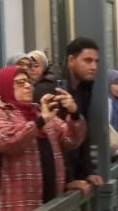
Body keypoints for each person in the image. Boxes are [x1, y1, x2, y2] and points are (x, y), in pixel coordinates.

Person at [0, 65, 86, 211]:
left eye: (29, 81)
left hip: (51, 205)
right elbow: (7, 141)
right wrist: (40, 122)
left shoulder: (40, 112)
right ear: (6, 86)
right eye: (20, 82)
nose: (27, 86)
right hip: (19, 210)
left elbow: (71, 140)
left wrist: (73, 113)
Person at [44, 37, 105, 193]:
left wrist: (88, 171)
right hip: (53, 183)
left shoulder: (84, 88)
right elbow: (50, 141)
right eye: (88, 61)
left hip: (74, 174)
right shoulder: (51, 88)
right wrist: (67, 180)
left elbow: (82, 131)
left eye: (96, 61)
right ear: (71, 60)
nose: (94, 67)